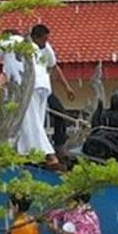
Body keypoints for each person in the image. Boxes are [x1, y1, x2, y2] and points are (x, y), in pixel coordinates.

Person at [0, 29, 59, 167]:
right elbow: (52, 63)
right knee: (32, 121)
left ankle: (50, 156)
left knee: (30, 121)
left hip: (28, 86)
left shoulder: (8, 41)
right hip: (43, 85)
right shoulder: (32, 46)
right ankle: (26, 154)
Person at [30, 24, 76, 159]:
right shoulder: (26, 50)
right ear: (34, 38)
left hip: (43, 89)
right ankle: (35, 147)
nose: (45, 43)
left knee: (60, 112)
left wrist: (67, 88)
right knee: (35, 118)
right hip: (29, 91)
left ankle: (59, 145)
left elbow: (54, 67)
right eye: (43, 40)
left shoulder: (46, 49)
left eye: (46, 40)